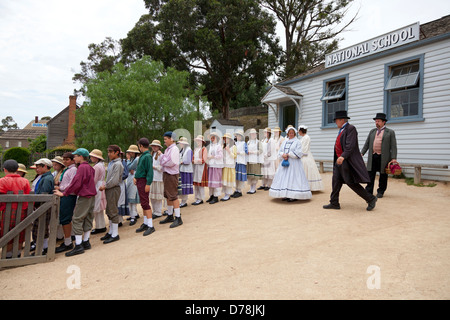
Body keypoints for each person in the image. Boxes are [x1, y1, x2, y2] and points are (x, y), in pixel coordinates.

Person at [323, 110, 377, 211]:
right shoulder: (342, 130)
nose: (335, 122)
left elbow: (350, 146)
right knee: (336, 181)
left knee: (350, 182)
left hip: (346, 161)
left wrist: (343, 156)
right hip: (339, 161)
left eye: (336, 120)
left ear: (342, 120)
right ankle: (334, 202)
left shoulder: (351, 129)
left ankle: (370, 198)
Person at [54, 148, 96, 256]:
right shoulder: (90, 168)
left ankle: (78, 245)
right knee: (88, 217)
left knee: (77, 219)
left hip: (84, 196)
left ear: (81, 157)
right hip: (91, 195)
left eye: (76, 156)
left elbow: (76, 183)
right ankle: (86, 241)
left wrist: (64, 193)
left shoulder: (81, 167)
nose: (74, 158)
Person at [269, 126, 312, 202]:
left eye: (292, 133)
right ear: (288, 133)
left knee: (293, 178)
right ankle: (285, 194)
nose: (291, 134)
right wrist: (283, 155)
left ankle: (293, 195)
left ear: (294, 133)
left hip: (294, 164)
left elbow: (299, 152)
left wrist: (289, 154)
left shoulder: (297, 141)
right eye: (290, 133)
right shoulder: (285, 141)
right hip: (284, 163)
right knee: (284, 178)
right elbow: (280, 151)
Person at [361, 113, 398, 198]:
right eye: (376, 121)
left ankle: (381, 191)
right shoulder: (372, 131)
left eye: (378, 121)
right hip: (373, 156)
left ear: (384, 122)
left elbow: (393, 146)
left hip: (384, 157)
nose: (376, 123)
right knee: (370, 174)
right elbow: (367, 143)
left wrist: (393, 158)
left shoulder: (390, 132)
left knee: (383, 175)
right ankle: (368, 191)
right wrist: (362, 153)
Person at [0, 159, 31, 258]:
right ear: (17, 169)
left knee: (7, 232)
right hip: (23, 210)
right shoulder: (25, 181)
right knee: (20, 231)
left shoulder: (2, 181)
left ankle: (8, 255)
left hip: (7, 211)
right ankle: (17, 253)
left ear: (4, 169)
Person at [99, 145, 124, 243]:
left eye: (111, 152)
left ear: (117, 152)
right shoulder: (112, 163)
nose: (109, 154)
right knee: (109, 210)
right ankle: (111, 232)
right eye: (108, 152)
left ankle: (115, 234)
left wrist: (105, 186)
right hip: (110, 188)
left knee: (113, 210)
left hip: (113, 188)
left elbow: (114, 180)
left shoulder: (117, 164)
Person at [158, 131, 183, 228]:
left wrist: (162, 159)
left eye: (165, 139)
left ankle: (178, 217)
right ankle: (170, 215)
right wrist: (163, 159)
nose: (164, 141)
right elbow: (164, 160)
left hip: (172, 174)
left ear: (171, 139)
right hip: (167, 173)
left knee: (173, 195)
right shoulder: (168, 149)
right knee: (168, 195)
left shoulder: (174, 149)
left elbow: (170, 162)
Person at [54, 152, 78, 253]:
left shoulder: (73, 170)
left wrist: (61, 188)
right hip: (64, 193)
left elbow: (71, 184)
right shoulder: (67, 169)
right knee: (64, 218)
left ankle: (68, 242)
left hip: (68, 195)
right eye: (64, 159)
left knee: (66, 219)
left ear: (73, 160)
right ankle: (67, 240)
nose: (64, 161)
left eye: (67, 159)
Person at [32, 158, 55, 255]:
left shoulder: (46, 178)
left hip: (43, 205)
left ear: (45, 167)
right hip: (43, 205)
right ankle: (44, 247)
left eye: (38, 167)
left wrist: (36, 204)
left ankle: (40, 249)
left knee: (39, 227)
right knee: (43, 227)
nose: (36, 169)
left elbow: (43, 194)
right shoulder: (45, 177)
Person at [134, 138, 155, 236]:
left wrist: (148, 183)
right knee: (143, 202)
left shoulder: (147, 156)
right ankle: (146, 223)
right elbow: (139, 169)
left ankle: (151, 225)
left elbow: (149, 171)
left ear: (141, 146)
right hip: (140, 180)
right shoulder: (143, 156)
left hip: (144, 181)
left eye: (139, 146)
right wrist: (135, 177)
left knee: (145, 203)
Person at [297, 125, 324, 192]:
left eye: (299, 131)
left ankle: (308, 186)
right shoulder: (302, 138)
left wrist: (300, 153)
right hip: (302, 155)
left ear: (301, 131)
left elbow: (304, 148)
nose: (298, 132)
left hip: (305, 156)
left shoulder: (307, 137)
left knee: (307, 169)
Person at [89, 149, 107, 235]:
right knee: (99, 208)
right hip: (101, 183)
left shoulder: (96, 167)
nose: (91, 158)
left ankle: (99, 226)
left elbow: (94, 179)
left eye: (92, 156)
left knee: (96, 207)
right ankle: (101, 225)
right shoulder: (101, 165)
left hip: (97, 185)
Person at [206, 132, 223, 204]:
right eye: (211, 138)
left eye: (213, 138)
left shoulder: (219, 146)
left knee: (215, 181)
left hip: (216, 165)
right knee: (211, 181)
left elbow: (220, 156)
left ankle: (216, 196)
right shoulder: (211, 146)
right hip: (211, 165)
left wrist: (213, 157)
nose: (212, 139)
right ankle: (211, 195)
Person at [149, 140, 164, 218]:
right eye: (153, 146)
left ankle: (158, 211)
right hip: (152, 177)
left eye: (155, 146)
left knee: (158, 196)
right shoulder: (152, 155)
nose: (154, 147)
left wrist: (154, 167)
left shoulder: (161, 155)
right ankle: (154, 211)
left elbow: (162, 167)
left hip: (158, 178)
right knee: (152, 196)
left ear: (159, 147)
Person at [126, 145, 140, 225]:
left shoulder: (136, 159)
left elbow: (129, 167)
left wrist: (128, 160)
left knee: (132, 197)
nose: (129, 153)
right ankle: (134, 214)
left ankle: (133, 216)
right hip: (131, 178)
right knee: (131, 197)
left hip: (134, 178)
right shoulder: (133, 159)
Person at [192, 135, 208, 205]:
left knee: (200, 184)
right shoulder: (195, 149)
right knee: (196, 183)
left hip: (201, 167)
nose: (198, 142)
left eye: (199, 141)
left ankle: (201, 198)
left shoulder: (204, 149)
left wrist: (196, 160)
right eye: (197, 141)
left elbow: (203, 160)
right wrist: (194, 161)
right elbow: (192, 159)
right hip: (196, 167)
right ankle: (197, 198)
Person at [178, 137, 193, 208]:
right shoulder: (182, 150)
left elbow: (189, 160)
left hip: (187, 170)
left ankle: (184, 201)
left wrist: (182, 162)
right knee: (182, 186)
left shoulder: (189, 150)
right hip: (182, 169)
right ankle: (182, 201)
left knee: (185, 186)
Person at [246, 128, 263, 194]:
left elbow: (261, 150)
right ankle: (251, 187)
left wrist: (253, 152)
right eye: (251, 134)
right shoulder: (248, 142)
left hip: (255, 160)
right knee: (250, 174)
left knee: (254, 174)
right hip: (249, 160)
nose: (253, 135)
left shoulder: (258, 142)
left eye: (254, 134)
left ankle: (254, 188)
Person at [231, 130, 247, 198]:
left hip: (241, 161)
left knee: (240, 176)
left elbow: (246, 152)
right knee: (236, 176)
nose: (237, 137)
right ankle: (236, 189)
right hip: (236, 162)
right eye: (237, 136)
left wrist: (239, 153)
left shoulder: (244, 143)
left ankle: (239, 190)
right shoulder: (235, 143)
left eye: (239, 135)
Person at [221, 133, 237, 201]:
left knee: (229, 180)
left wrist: (229, 151)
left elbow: (234, 156)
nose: (225, 140)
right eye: (224, 138)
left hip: (230, 166)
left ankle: (228, 194)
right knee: (225, 180)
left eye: (227, 138)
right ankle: (225, 194)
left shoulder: (233, 147)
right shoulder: (224, 146)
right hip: (225, 165)